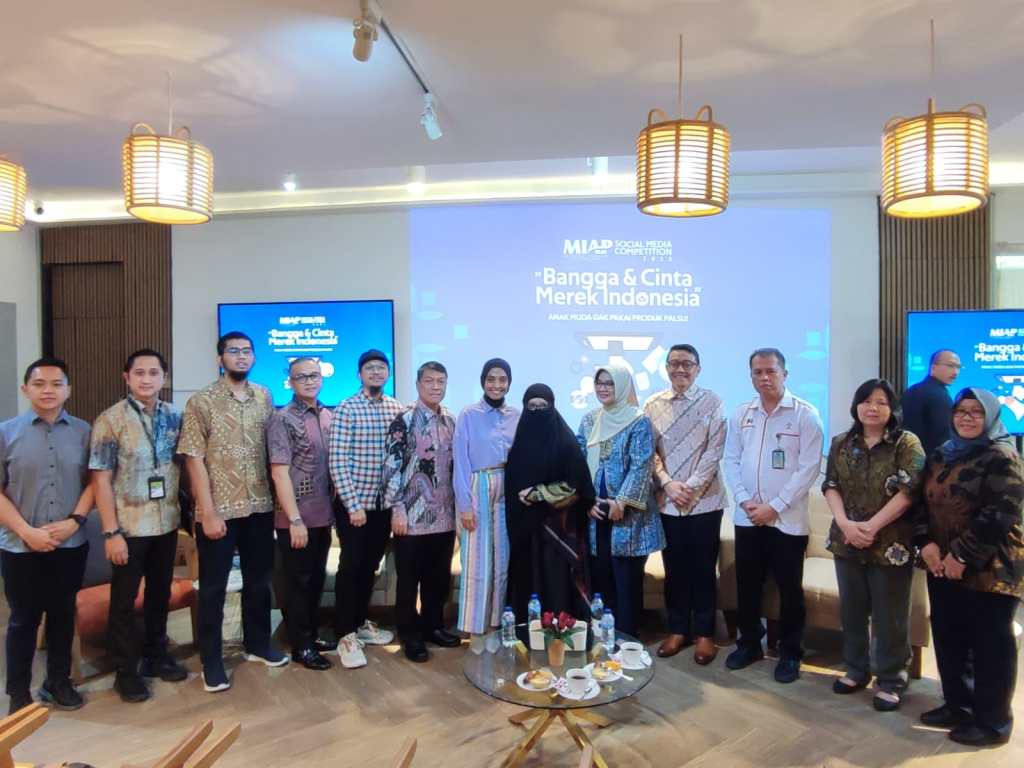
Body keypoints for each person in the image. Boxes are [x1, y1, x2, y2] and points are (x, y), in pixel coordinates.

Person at [178, 331, 287, 693]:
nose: (241, 356)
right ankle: (212, 660)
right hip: (219, 510)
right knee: (213, 588)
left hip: (259, 505)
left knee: (259, 581)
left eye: (247, 351)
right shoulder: (201, 401)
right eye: (233, 351)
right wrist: (207, 512)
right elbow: (193, 459)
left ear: (254, 357)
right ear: (220, 358)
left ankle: (258, 644)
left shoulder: (264, 396)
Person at [916, 387, 1023, 747]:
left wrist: (960, 556)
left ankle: (993, 723)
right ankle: (958, 705)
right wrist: (926, 543)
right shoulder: (942, 453)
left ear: (990, 416)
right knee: (950, 637)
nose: (967, 417)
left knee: (990, 646)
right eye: (961, 410)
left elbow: (1000, 515)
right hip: (941, 564)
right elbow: (922, 502)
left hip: (992, 568)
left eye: (976, 411)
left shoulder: (1002, 456)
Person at [90, 349, 188, 703]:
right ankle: (125, 671)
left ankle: (156, 655)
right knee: (124, 600)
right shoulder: (110, 420)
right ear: (127, 377)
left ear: (165, 377)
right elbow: (100, 480)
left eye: (154, 372)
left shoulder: (175, 416)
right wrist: (110, 532)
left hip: (166, 523)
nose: (147, 379)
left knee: (159, 594)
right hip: (129, 528)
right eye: (139, 373)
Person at [822, 378, 925, 711]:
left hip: (891, 545)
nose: (872, 408)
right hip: (847, 540)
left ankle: (891, 678)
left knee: (890, 615)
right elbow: (830, 485)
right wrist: (845, 524)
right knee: (852, 611)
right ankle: (856, 669)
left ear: (892, 408)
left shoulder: (906, 443)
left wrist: (871, 527)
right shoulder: (841, 442)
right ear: (856, 406)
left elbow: (909, 491)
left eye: (881, 402)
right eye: (866, 401)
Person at [723, 348, 824, 683]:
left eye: (770, 371)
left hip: (787, 521)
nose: (764, 378)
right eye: (757, 372)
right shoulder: (742, 414)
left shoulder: (805, 414)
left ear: (785, 373)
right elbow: (731, 460)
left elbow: (809, 468)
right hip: (748, 516)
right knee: (747, 585)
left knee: (789, 589)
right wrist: (744, 500)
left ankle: (790, 651)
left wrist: (775, 506)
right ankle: (749, 643)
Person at [0, 358, 94, 714]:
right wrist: (26, 531)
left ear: (68, 390)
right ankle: (18, 693)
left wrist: (74, 522)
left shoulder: (84, 432)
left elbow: (95, 483)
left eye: (57, 384)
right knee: (23, 620)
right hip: (20, 545)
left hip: (71, 543)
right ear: (26, 389)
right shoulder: (6, 433)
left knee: (62, 615)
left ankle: (58, 682)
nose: (48, 390)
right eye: (39, 384)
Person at [644, 344, 727, 664]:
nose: (680, 369)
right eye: (674, 363)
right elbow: (650, 452)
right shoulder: (653, 404)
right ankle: (678, 629)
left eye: (687, 364)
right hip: (668, 501)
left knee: (703, 569)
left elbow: (714, 450)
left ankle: (705, 633)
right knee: (674, 568)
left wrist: (689, 488)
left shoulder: (712, 401)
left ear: (698, 369)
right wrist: (667, 484)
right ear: (666, 368)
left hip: (705, 501)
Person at [328, 349, 403, 668]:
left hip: (382, 506)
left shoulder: (396, 408)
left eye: (381, 367)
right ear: (360, 374)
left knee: (370, 566)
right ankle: (344, 634)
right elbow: (337, 460)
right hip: (354, 507)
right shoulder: (347, 407)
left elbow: (399, 457)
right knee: (351, 567)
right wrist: (353, 504)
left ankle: (359, 624)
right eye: (370, 368)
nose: (376, 372)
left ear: (388, 373)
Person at [576, 363, 662, 638]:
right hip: (596, 512)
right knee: (600, 575)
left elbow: (641, 465)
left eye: (610, 383)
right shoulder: (589, 420)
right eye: (599, 382)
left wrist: (622, 502)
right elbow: (578, 462)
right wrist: (587, 501)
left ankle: (626, 638)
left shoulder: (638, 420)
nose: (603, 388)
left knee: (626, 579)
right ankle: (603, 635)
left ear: (623, 386)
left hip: (627, 516)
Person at [382, 361, 459, 662]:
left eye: (441, 381)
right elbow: (391, 467)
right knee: (408, 580)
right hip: (411, 517)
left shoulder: (450, 420)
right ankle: (410, 634)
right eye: (429, 381)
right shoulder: (404, 420)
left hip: (444, 516)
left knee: (437, 579)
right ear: (418, 384)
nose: (435, 386)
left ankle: (433, 626)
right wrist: (397, 508)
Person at [266, 358, 335, 671]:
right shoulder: (282, 419)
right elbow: (279, 472)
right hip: (296, 518)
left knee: (316, 579)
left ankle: (311, 635)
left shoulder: (327, 415)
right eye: (301, 377)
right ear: (290, 382)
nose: (309, 381)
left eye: (314, 376)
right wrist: (294, 519)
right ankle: (301, 645)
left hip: (323, 515)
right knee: (297, 583)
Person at [505, 384, 595, 622]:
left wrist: (538, 493)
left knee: (556, 583)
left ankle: (561, 629)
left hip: (557, 530)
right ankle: (527, 629)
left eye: (542, 406)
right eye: (531, 406)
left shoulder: (565, 441)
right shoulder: (520, 440)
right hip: (525, 528)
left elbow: (577, 485)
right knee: (527, 579)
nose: (537, 411)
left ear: (552, 406)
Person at [453, 359, 519, 641]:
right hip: (478, 484)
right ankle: (474, 630)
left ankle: (494, 625)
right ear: (483, 381)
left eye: (502, 379)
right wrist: (465, 506)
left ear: (509, 383)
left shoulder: (516, 415)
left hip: (507, 487)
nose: (496, 385)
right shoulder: (469, 414)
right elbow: (460, 462)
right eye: (491, 379)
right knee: (477, 562)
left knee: (502, 562)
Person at [901, 349, 961, 455]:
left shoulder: (912, 390)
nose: (955, 372)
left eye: (958, 367)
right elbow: (944, 437)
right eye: (950, 366)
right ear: (933, 367)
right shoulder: (939, 396)